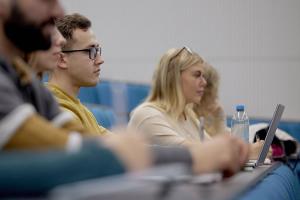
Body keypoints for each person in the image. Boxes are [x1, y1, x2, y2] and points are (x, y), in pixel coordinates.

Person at [0, 2, 248, 195]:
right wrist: (197, 157)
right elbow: (75, 156)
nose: (58, 10)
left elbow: (109, 150)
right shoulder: (33, 91)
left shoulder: (28, 83)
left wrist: (200, 155)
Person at [128, 47, 261, 158]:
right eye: (197, 75)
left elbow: (213, 149)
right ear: (174, 78)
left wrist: (219, 123)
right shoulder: (147, 115)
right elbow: (196, 155)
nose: (204, 82)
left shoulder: (188, 115)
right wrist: (247, 152)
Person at [44, 13, 108, 135]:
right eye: (91, 51)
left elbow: (113, 143)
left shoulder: (82, 110)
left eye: (97, 50)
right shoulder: (57, 112)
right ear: (61, 59)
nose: (100, 60)